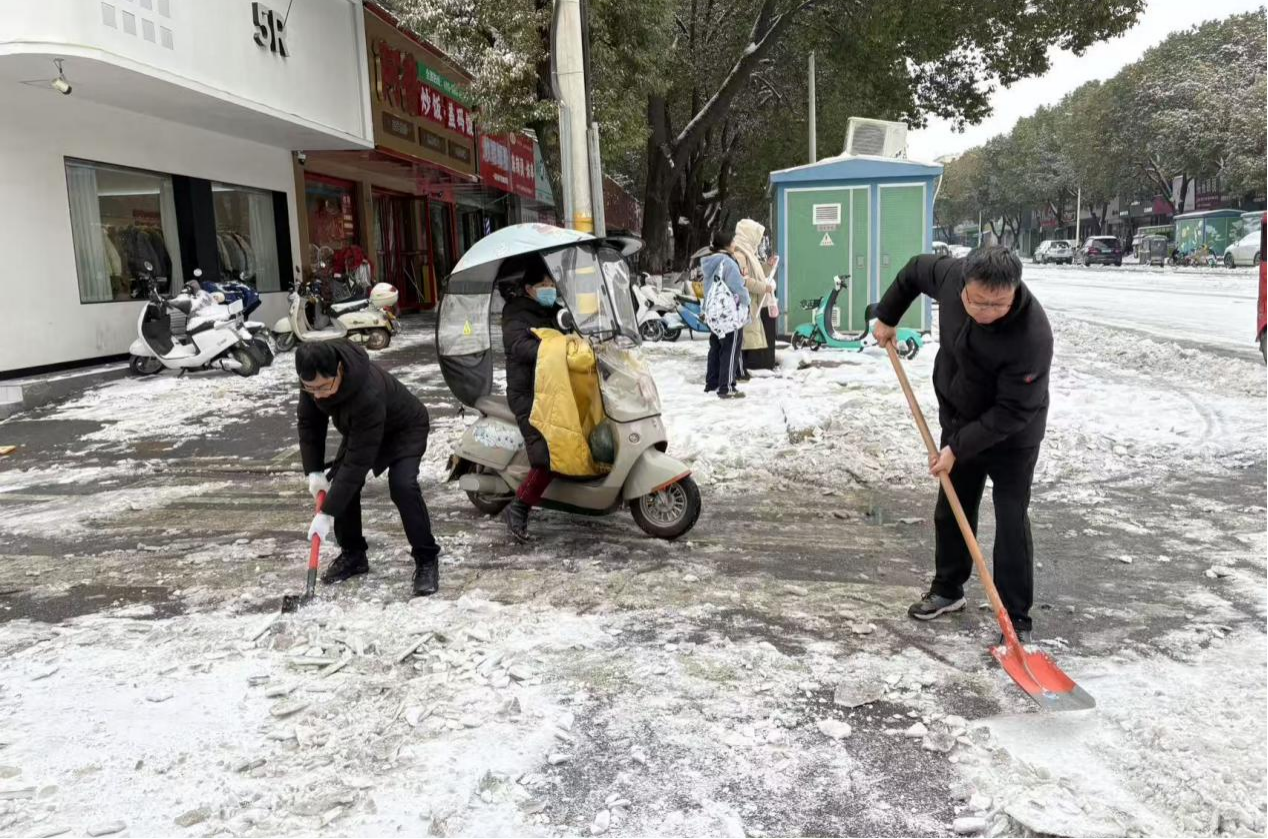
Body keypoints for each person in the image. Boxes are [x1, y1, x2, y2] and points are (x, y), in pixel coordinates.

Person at [872, 246, 1053, 644]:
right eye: (978, 302)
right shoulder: (951, 277)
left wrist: (956, 448)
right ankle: (948, 588)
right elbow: (913, 270)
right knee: (952, 504)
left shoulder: (1032, 335)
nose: (986, 311)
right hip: (959, 415)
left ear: (1014, 290)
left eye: (998, 304)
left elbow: (1012, 411)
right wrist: (887, 315)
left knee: (1010, 517)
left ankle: (1016, 616)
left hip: (1013, 437)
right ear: (964, 287)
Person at [296, 340, 441, 597]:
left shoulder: (367, 392)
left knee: (402, 486)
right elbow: (309, 424)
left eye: (323, 387)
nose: (317, 395)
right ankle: (353, 554)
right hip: (362, 431)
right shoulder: (313, 381)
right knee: (341, 482)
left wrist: (327, 512)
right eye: (310, 389)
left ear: (339, 369)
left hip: (403, 429)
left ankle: (426, 558)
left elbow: (356, 464)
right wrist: (314, 470)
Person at [500, 260, 563, 542]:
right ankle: (519, 508)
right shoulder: (515, 314)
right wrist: (555, 347)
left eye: (552, 285)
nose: (550, 290)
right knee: (547, 455)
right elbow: (521, 347)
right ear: (529, 289)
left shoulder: (551, 310)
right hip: (528, 393)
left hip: (554, 388)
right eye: (544, 286)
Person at [701, 229, 751, 399]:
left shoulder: (710, 262)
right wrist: (747, 301)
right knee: (730, 349)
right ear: (727, 244)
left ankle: (712, 383)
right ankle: (727, 387)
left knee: (716, 348)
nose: (735, 244)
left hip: (714, 314)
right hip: (730, 315)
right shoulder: (728, 263)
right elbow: (738, 287)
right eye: (733, 241)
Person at [733, 219, 778, 373]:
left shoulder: (748, 252)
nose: (758, 241)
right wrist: (764, 288)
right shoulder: (740, 254)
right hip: (749, 304)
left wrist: (768, 266)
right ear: (749, 235)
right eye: (756, 236)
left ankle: (758, 365)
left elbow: (756, 274)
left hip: (756, 303)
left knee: (755, 337)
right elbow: (743, 281)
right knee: (749, 338)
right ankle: (750, 367)